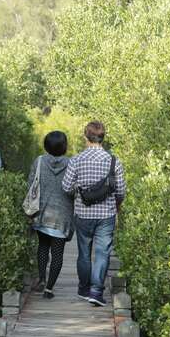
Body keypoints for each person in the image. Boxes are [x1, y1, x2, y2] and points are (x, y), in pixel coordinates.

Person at [62, 121, 126, 307]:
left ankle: (83, 289)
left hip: (82, 213)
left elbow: (66, 187)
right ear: (103, 138)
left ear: (85, 137)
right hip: (106, 214)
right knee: (102, 253)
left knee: (83, 252)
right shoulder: (113, 161)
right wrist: (117, 206)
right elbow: (120, 191)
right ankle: (96, 292)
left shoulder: (76, 159)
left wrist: (79, 191)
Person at [28, 131, 74, 300]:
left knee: (42, 247)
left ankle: (41, 278)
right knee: (58, 253)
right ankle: (49, 288)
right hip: (62, 217)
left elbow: (31, 184)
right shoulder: (71, 163)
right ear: (64, 147)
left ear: (46, 146)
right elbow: (74, 188)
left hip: (42, 213)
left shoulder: (39, 161)